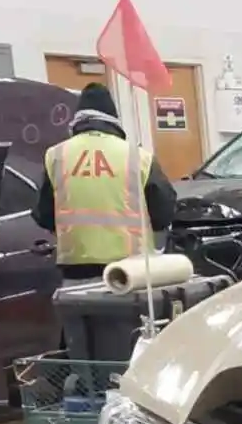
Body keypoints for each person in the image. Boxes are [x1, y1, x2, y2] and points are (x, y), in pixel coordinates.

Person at [33, 82, 177, 281]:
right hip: (130, 267)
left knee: (82, 311)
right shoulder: (138, 157)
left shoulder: (57, 155)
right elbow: (164, 212)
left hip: (75, 267)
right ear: (113, 120)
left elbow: (44, 214)